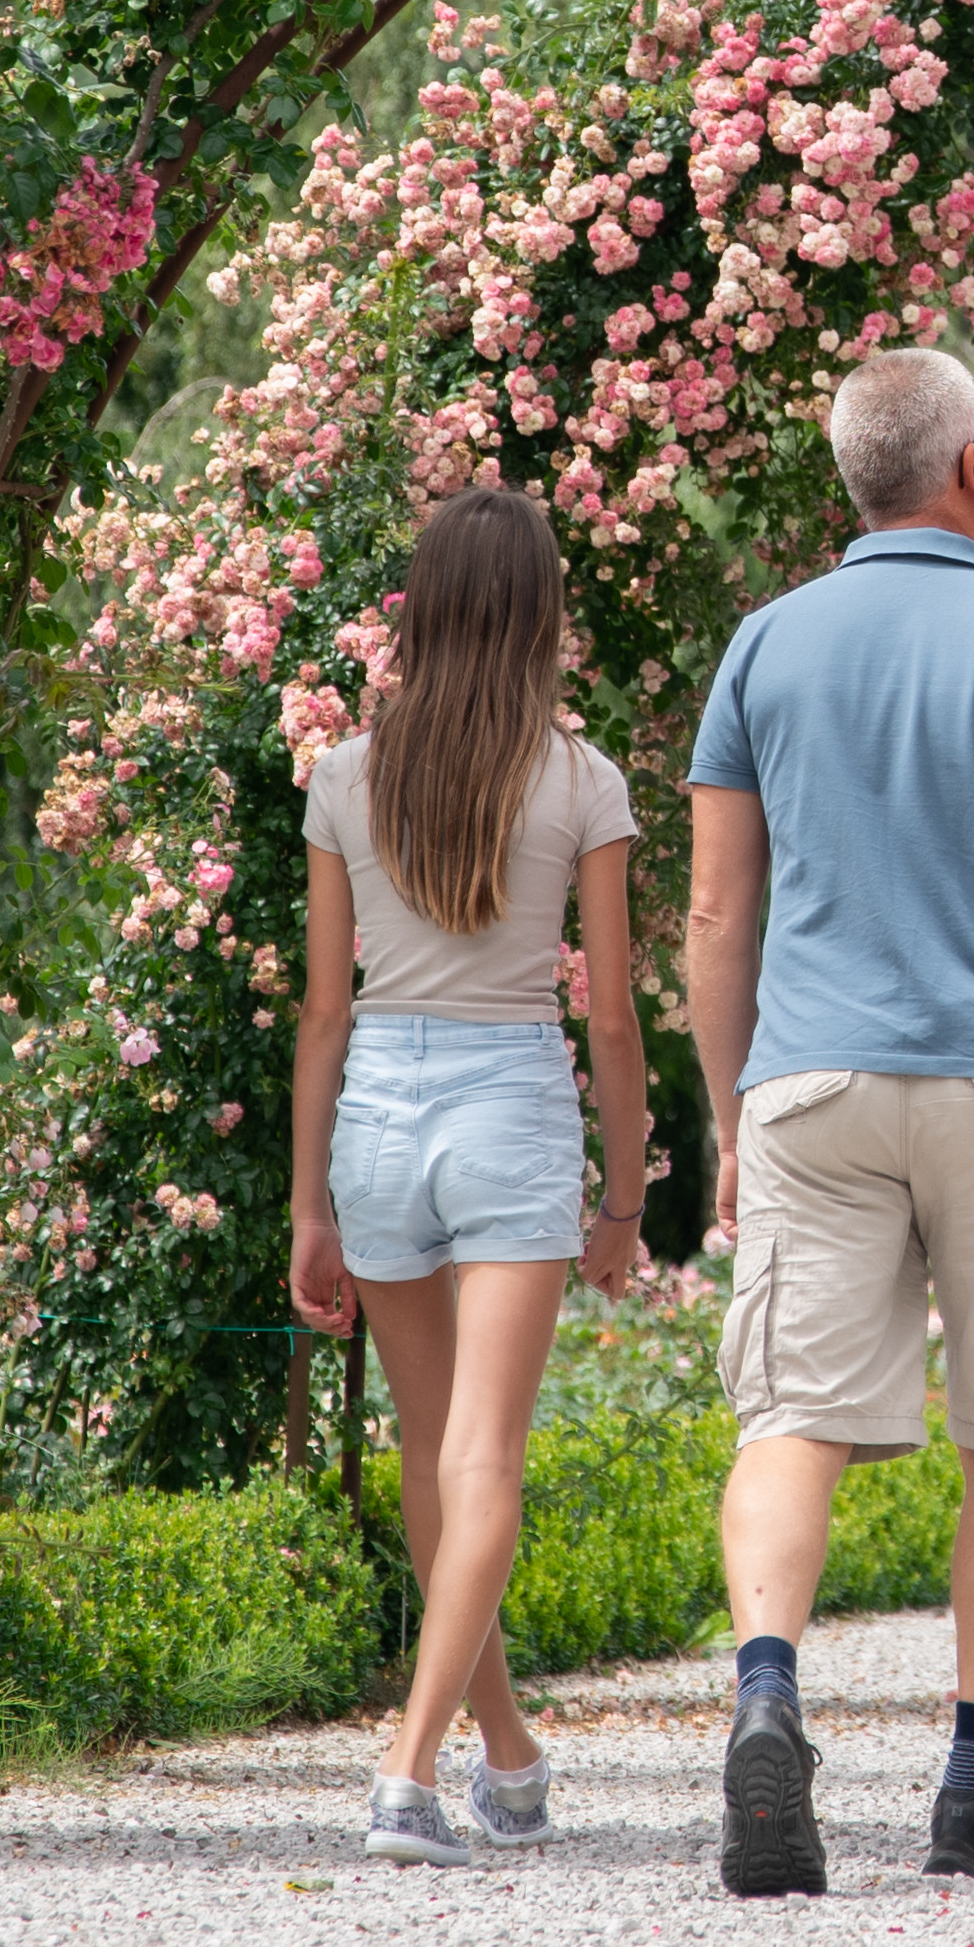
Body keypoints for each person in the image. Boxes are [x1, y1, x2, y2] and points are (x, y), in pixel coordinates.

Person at [685, 344, 974, 1895]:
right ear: (970, 465)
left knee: (792, 1419)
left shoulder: (762, 646)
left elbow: (712, 912)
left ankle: (768, 1694)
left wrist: (731, 1112)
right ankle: (973, 1781)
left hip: (811, 1081)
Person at [286, 481, 652, 1866]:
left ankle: (504, 1755)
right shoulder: (580, 780)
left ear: (423, 608)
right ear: (544, 611)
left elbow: (324, 1009)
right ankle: (409, 1768)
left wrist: (308, 1199)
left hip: (377, 1098)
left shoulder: (343, 774)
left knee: (434, 1456)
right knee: (481, 1453)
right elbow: (610, 1014)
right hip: (510, 1097)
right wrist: (624, 1198)